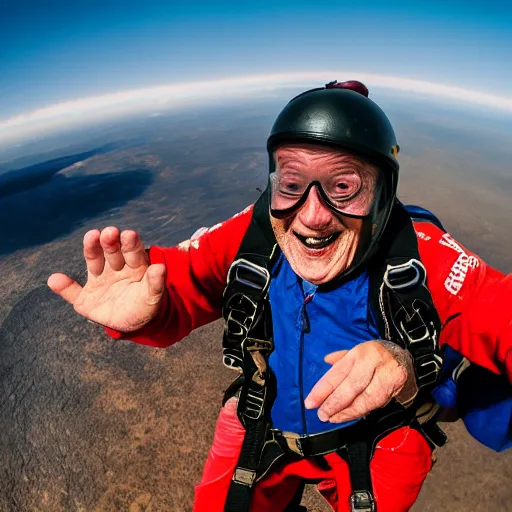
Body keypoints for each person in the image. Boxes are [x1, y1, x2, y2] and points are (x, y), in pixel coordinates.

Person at [48, 80, 512, 512]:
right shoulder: (254, 236)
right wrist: (149, 312)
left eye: (343, 187)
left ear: (384, 195)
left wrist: (406, 364)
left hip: (381, 437)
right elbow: (185, 277)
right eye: (291, 184)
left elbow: (499, 311)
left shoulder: (423, 258)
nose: (311, 216)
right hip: (261, 421)